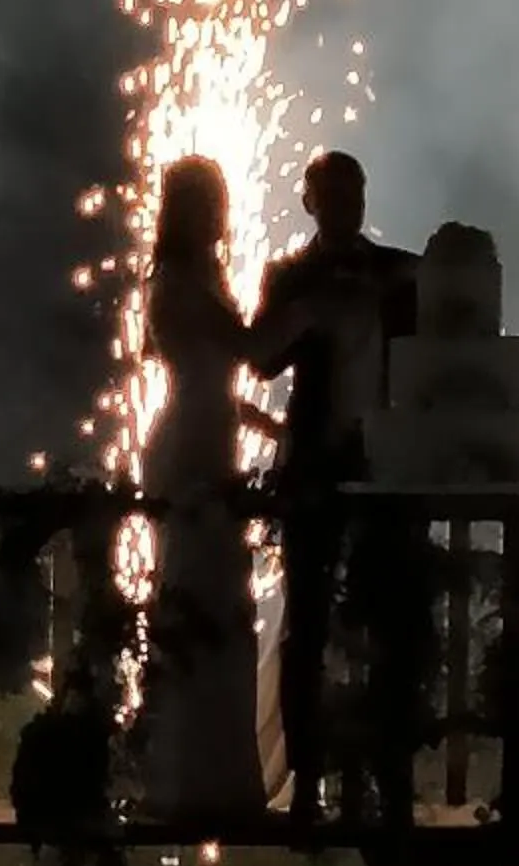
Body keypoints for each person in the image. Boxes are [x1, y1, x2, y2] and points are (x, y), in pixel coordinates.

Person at [246, 150, 419, 817]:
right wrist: (307, 313)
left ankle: (388, 781)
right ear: (311, 203)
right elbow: (262, 363)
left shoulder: (399, 273)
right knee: (306, 626)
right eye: (336, 194)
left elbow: (429, 356)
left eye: (357, 191)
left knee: (392, 624)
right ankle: (309, 785)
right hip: (314, 466)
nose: (350, 205)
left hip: (386, 469)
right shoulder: (290, 277)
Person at [138, 155, 270, 821]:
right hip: (191, 445)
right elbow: (242, 349)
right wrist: (293, 301)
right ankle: (192, 777)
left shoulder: (193, 277)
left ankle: (209, 775)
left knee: (216, 602)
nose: (221, 214)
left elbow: (216, 378)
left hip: (206, 430)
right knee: (202, 601)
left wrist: (264, 423)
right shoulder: (182, 280)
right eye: (211, 202)